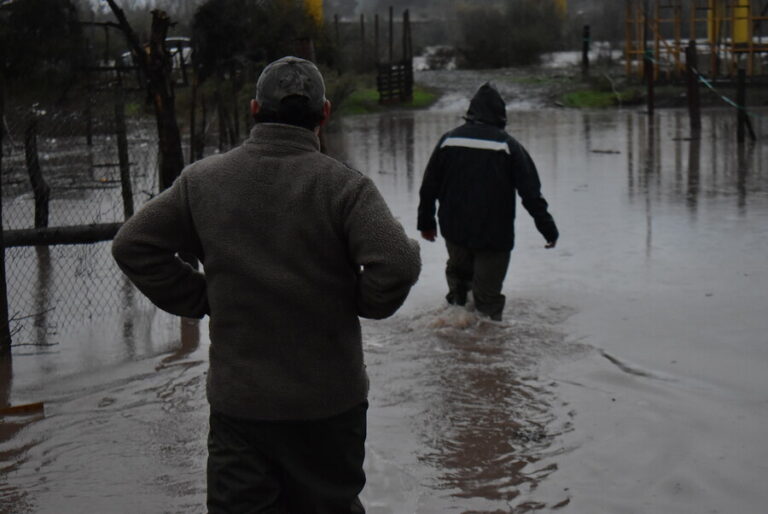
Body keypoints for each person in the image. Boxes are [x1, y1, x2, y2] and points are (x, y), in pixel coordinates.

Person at [112, 56, 421, 513]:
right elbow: (398, 261)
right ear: (324, 113)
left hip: (242, 407)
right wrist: (362, 302)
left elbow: (132, 244)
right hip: (329, 406)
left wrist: (201, 298)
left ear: (255, 109)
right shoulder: (345, 187)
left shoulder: (203, 181)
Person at [417, 82, 558, 322]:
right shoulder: (508, 146)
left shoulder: (448, 141)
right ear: (500, 116)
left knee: (459, 294)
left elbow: (429, 186)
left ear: (470, 113)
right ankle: (488, 340)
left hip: (455, 231)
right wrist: (548, 230)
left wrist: (426, 223)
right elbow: (531, 195)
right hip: (494, 236)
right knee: (487, 301)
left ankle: (453, 334)